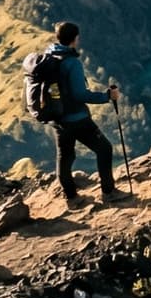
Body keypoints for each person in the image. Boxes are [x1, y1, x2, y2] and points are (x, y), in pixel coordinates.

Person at [43, 21, 126, 206]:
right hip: (77, 119)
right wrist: (107, 96)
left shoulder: (49, 56)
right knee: (104, 149)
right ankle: (108, 192)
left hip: (57, 118)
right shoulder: (72, 63)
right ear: (75, 39)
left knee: (64, 156)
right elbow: (80, 94)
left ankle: (71, 197)